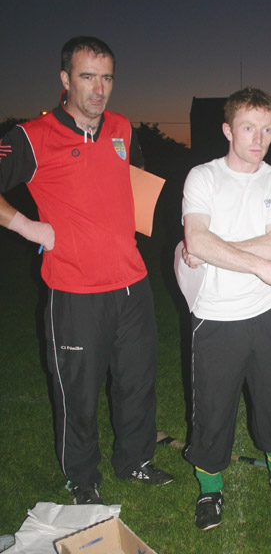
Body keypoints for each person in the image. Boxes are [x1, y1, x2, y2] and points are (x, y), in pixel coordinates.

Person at [0, 36, 173, 505]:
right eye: (87, 77)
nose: (99, 90)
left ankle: (135, 460)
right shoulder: (31, 136)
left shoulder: (123, 127)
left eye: (107, 77)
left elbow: (133, 180)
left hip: (133, 284)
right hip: (74, 290)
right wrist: (29, 227)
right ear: (65, 80)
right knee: (77, 392)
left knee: (137, 381)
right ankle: (82, 478)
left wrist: (129, 230)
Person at [178, 87, 271, 531]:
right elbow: (197, 240)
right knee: (213, 410)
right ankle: (209, 488)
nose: (258, 138)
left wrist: (212, 248)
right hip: (215, 314)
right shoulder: (202, 176)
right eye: (248, 127)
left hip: (267, 313)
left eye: (267, 129)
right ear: (228, 129)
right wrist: (258, 264)